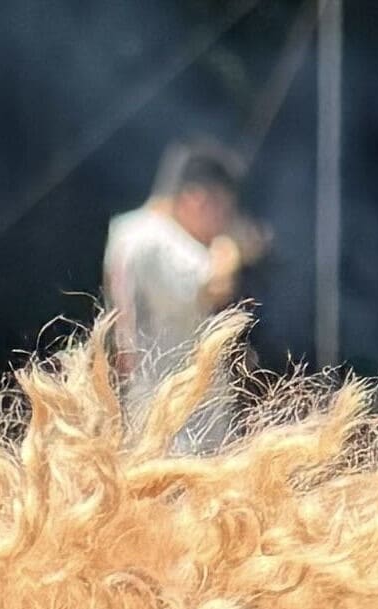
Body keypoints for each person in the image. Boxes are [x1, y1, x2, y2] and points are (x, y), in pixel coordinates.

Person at [101, 139, 261, 421]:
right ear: (198, 198)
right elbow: (215, 285)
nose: (224, 221)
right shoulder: (157, 238)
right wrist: (232, 246)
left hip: (150, 403)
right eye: (223, 209)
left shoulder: (128, 231)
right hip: (179, 418)